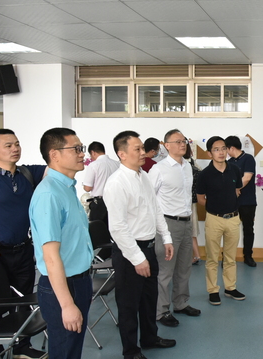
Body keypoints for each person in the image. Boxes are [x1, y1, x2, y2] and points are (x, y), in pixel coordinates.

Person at [103, 131, 176, 359]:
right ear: (122, 154)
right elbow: (118, 228)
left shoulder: (143, 176)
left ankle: (149, 338)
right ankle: (131, 351)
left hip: (149, 248)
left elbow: (155, 209)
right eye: (138, 149)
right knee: (128, 305)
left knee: (148, 299)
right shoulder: (116, 183)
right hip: (129, 254)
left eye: (143, 148)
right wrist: (137, 258)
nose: (143, 152)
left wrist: (166, 237)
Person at [29, 127, 94, 359]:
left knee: (72, 350)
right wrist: (66, 304)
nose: (82, 154)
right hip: (64, 286)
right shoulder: (49, 194)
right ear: (54, 155)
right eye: (76, 149)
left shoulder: (66, 188)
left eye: (81, 148)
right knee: (64, 351)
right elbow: (50, 256)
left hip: (79, 280)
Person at [0, 128, 47, 359]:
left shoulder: (27, 173)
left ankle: (21, 348)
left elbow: (57, 166)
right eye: (8, 145)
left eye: (17, 144)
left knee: (23, 301)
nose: (15, 149)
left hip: (23, 250)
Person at [148, 129, 201, 328]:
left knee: (184, 267)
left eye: (184, 140)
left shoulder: (187, 167)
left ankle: (181, 303)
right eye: (178, 141)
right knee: (165, 270)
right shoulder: (158, 169)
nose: (182, 144)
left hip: (186, 222)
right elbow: (149, 199)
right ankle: (161, 311)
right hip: (167, 224)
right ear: (166, 145)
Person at [195, 136, 245, 305]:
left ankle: (230, 288)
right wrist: (215, 205)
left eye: (223, 148)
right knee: (212, 257)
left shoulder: (235, 169)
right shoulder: (204, 174)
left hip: (233, 218)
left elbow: (237, 189)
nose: (221, 152)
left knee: (230, 257)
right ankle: (213, 290)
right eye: (216, 149)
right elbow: (200, 198)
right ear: (210, 153)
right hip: (214, 219)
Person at [225, 135, 258, 267]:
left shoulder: (248, 158)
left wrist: (236, 189)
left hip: (247, 201)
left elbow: (247, 177)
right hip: (232, 201)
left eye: (226, 149)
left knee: (248, 229)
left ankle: (248, 256)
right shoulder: (229, 162)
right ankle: (227, 257)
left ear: (231, 148)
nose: (226, 152)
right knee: (229, 230)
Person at [83, 141, 119, 224]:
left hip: (99, 203)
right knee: (112, 228)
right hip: (115, 201)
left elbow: (87, 188)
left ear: (93, 152)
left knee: (97, 228)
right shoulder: (117, 164)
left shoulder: (94, 165)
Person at [183, 144, 202, 265]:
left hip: (181, 203)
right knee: (192, 230)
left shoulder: (180, 165)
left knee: (185, 231)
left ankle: (194, 255)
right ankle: (197, 254)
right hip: (193, 201)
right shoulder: (193, 163)